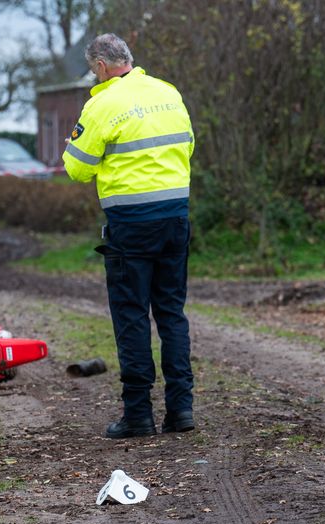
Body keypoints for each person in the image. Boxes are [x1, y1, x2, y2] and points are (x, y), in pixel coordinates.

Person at [62, 33, 195, 438]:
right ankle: (181, 410)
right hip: (175, 218)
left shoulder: (102, 104)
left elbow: (77, 169)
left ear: (102, 67)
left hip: (131, 225)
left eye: (93, 70)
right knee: (171, 314)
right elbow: (187, 147)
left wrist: (76, 147)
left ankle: (138, 414)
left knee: (132, 315)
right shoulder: (168, 92)